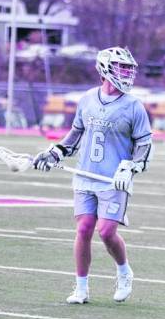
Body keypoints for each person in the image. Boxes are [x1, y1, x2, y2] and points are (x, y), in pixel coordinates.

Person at [32, 46, 153, 304]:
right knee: (84, 228)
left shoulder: (134, 106)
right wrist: (54, 153)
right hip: (85, 176)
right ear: (105, 69)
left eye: (129, 69)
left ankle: (124, 272)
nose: (127, 73)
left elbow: (144, 145)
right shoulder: (87, 99)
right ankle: (81, 288)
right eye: (122, 68)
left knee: (106, 232)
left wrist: (132, 167)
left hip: (114, 180)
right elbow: (74, 136)